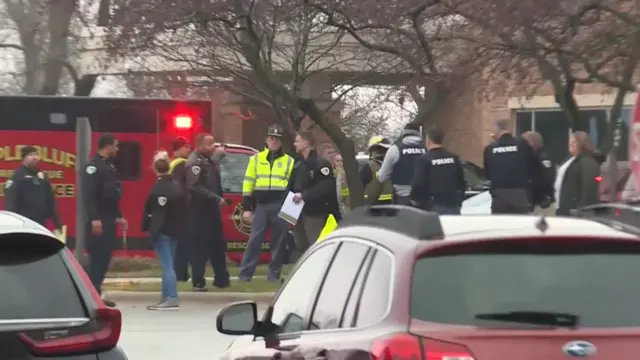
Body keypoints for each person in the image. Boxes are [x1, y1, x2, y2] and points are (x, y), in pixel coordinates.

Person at [238, 124, 294, 283]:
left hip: (280, 205)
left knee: (279, 242)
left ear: (281, 141)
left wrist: (290, 212)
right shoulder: (256, 159)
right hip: (261, 205)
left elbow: (292, 187)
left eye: (277, 139)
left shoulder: (289, 161)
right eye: (272, 138)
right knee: (255, 240)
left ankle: (274, 276)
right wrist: (247, 208)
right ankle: (245, 275)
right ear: (266, 140)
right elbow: (248, 183)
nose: (274, 142)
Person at [84, 134, 127, 303]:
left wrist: (119, 216)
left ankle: (96, 294)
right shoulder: (93, 167)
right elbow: (89, 196)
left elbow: (112, 196)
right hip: (99, 220)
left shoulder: (109, 166)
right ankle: (91, 297)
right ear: (106, 146)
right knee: (97, 258)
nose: (117, 149)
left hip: (109, 218)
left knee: (105, 258)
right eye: (115, 146)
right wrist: (94, 218)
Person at [142, 151, 187, 310]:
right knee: (170, 265)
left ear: (155, 168)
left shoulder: (159, 188)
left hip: (163, 232)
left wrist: (151, 232)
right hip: (176, 230)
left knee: (167, 265)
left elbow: (156, 214)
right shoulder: (176, 185)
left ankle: (172, 298)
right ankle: (165, 297)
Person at [185, 133, 230, 291]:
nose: (214, 147)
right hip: (199, 212)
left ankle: (221, 279)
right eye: (210, 145)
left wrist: (219, 154)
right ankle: (198, 281)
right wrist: (215, 198)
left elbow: (211, 164)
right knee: (200, 248)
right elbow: (194, 186)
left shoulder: (207, 160)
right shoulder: (194, 163)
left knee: (217, 245)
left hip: (211, 211)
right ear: (200, 146)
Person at [292, 131, 341, 253]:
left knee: (315, 246)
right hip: (297, 211)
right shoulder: (298, 163)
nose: (294, 144)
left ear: (307, 143)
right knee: (301, 245)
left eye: (297, 141)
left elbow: (325, 186)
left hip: (314, 212)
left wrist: (304, 196)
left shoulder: (321, 164)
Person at [483, 119, 543, 214]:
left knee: (500, 227)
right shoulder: (522, 144)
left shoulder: (490, 148)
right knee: (519, 226)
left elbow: (487, 174)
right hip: (519, 195)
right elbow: (537, 166)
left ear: (497, 130)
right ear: (510, 129)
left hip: (499, 196)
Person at [4, 146, 63, 234]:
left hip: (40, 223)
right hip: (23, 224)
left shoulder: (42, 176)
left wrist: (58, 224)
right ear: (24, 159)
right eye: (31, 155)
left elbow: (51, 200)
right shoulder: (17, 176)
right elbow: (10, 202)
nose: (35, 157)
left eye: (36, 154)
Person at [410, 126, 466, 214]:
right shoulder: (453, 157)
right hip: (453, 205)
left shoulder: (424, 160)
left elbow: (419, 182)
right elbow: (461, 181)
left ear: (428, 140)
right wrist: (459, 200)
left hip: (433, 205)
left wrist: (414, 198)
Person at [555, 131, 603, 215]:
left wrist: (581, 209)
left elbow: (590, 187)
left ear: (582, 144)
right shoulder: (570, 159)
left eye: (574, 142)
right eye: (570, 142)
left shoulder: (588, 161)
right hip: (562, 206)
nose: (571, 144)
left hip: (575, 210)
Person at [378, 123, 427, 205]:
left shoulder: (394, 149)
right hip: (423, 199)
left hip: (402, 199)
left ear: (404, 133)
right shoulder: (426, 149)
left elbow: (382, 177)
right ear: (419, 134)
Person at [169, 136, 192, 282]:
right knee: (183, 245)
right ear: (179, 148)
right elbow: (182, 188)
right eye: (186, 146)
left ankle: (179, 273)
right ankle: (181, 274)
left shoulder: (173, 164)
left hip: (174, 209)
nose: (189, 149)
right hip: (182, 210)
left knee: (178, 244)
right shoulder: (181, 165)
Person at [522, 131, 557, 216]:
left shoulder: (543, 159)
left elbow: (547, 179)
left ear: (531, 143)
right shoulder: (528, 158)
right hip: (532, 204)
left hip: (542, 205)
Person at [360, 135, 393, 205]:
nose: (383, 152)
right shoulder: (393, 165)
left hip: (375, 206)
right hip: (381, 206)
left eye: (384, 150)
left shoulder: (368, 167)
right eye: (380, 150)